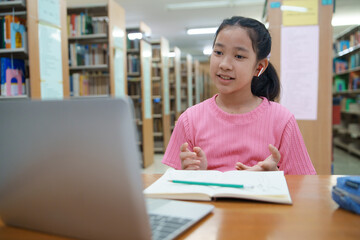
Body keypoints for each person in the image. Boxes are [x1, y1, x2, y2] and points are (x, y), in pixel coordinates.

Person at [162, 16, 316, 175]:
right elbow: (175, 184)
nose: (224, 64)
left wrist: (275, 177)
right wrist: (194, 173)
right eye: (218, 52)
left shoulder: (282, 120)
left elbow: (304, 184)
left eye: (239, 56)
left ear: (259, 67)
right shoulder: (190, 120)